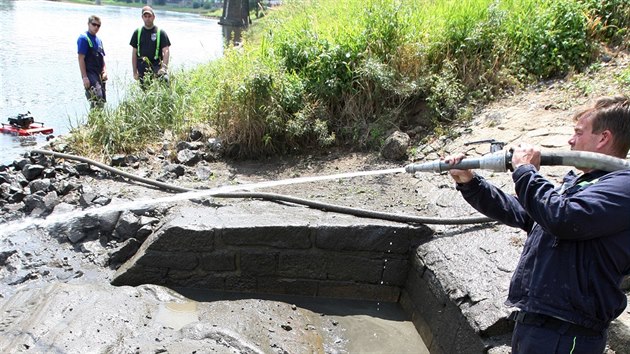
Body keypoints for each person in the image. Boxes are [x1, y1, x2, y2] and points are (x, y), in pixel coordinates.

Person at [445, 95, 630, 354]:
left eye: (578, 132)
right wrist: (469, 182)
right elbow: (522, 212)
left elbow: (564, 218)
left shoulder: (623, 186)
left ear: (603, 138)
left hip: (568, 334)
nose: (570, 140)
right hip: (536, 323)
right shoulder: (583, 185)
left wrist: (525, 171)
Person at [129, 6, 171, 86]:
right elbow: (134, 53)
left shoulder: (160, 33)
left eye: (149, 16)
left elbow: (166, 51)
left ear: (154, 17)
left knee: (165, 80)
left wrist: (164, 68)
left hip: (156, 65)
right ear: (142, 17)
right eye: (145, 16)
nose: (147, 18)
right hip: (142, 67)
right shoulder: (137, 32)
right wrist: (135, 72)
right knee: (146, 91)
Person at [77, 15, 107, 109]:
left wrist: (105, 71)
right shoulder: (83, 38)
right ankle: (92, 122)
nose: (96, 27)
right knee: (96, 99)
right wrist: (85, 77)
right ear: (88, 24)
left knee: (101, 101)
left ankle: (97, 123)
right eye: (94, 24)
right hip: (90, 74)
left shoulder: (99, 40)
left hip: (99, 75)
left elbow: (102, 58)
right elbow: (80, 58)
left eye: (98, 25)